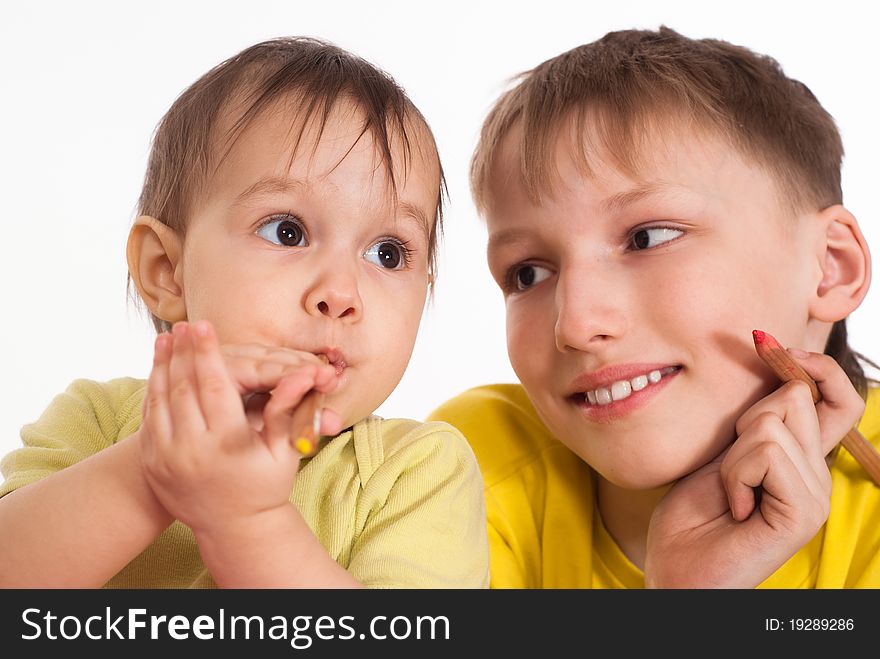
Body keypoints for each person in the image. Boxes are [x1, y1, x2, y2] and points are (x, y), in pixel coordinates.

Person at [0, 37, 488, 588]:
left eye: (388, 253)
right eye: (288, 231)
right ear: (167, 270)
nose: (341, 292)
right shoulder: (97, 422)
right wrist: (150, 473)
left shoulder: (417, 471)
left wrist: (246, 522)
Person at [428, 26, 880, 588]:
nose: (576, 324)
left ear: (831, 266)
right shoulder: (463, 470)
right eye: (528, 273)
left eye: (647, 238)